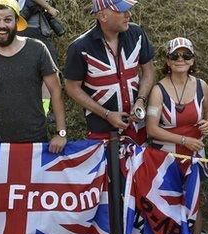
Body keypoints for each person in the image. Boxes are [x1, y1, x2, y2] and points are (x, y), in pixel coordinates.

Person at [0, 0, 67, 150]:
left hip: (35, 141)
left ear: (17, 21)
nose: (1, 25)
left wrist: (61, 133)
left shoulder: (37, 49)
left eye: (7, 20)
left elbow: (55, 91)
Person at [145, 37, 208, 234]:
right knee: (167, 205)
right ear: (168, 61)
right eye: (175, 56)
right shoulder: (158, 90)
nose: (180, 59)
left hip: (194, 155)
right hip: (165, 159)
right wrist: (183, 141)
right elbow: (151, 129)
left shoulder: (201, 86)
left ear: (193, 61)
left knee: (194, 203)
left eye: (186, 55)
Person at [63, 0, 155, 144]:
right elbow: (72, 87)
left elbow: (148, 71)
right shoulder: (80, 47)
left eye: (129, 9)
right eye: (121, 11)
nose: (128, 14)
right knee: (108, 167)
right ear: (102, 16)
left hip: (137, 127)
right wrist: (107, 114)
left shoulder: (137, 34)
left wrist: (140, 100)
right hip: (101, 132)